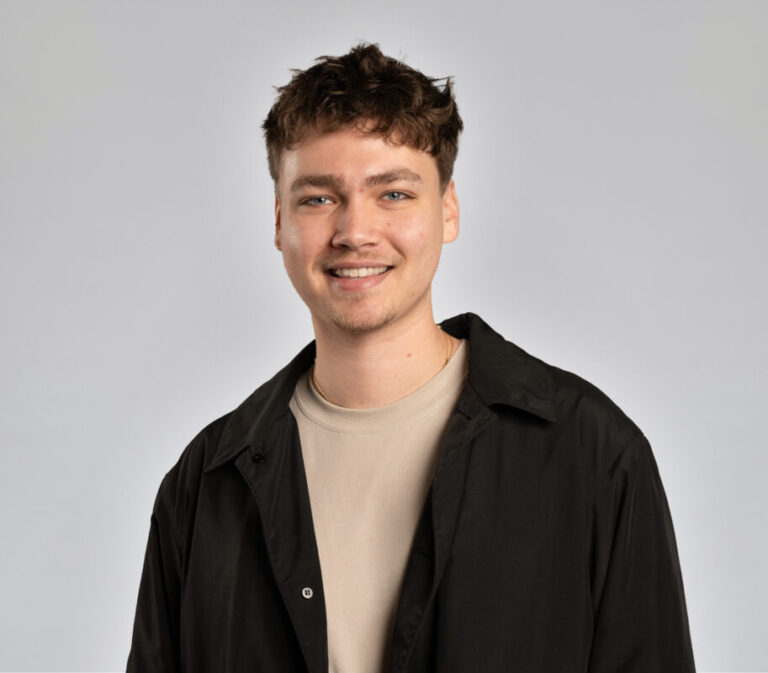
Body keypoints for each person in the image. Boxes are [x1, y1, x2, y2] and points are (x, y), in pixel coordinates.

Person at [126, 43, 696, 672]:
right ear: (280, 221)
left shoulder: (589, 452)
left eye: (393, 194)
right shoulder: (204, 484)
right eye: (318, 198)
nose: (355, 231)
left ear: (447, 210)